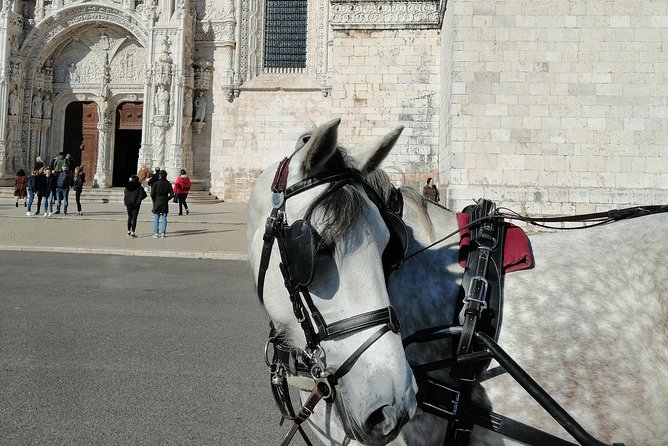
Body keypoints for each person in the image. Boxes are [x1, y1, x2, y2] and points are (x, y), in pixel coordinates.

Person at [150, 169, 173, 238]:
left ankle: (156, 233)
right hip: (164, 201)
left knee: (156, 217)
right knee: (164, 218)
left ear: (159, 175)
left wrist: (154, 200)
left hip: (157, 200)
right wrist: (167, 199)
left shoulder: (156, 183)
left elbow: (152, 194)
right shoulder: (168, 184)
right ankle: (163, 233)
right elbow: (172, 194)